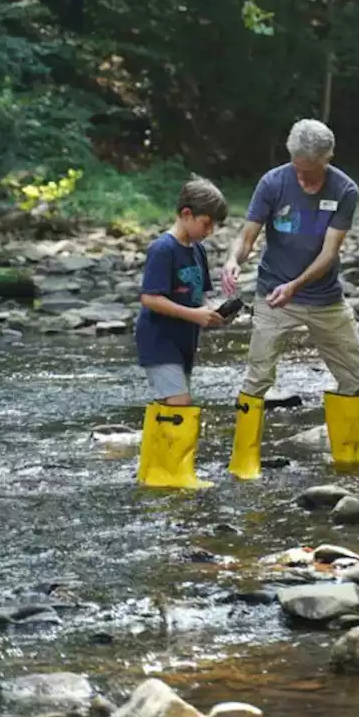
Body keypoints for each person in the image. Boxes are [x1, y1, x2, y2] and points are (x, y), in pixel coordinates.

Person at [221, 118, 359, 479]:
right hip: (273, 296)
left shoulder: (345, 190)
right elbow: (247, 238)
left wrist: (296, 284)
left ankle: (356, 454)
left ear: (329, 157)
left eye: (312, 171)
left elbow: (329, 253)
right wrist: (233, 260)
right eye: (299, 170)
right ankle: (243, 459)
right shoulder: (272, 183)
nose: (305, 179)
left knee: (354, 377)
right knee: (258, 376)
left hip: (325, 299)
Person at [134, 177, 230, 488]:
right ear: (186, 214)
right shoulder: (163, 249)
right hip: (158, 338)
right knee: (179, 403)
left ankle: (155, 472)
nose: (210, 231)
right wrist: (194, 314)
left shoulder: (197, 250)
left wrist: (212, 312)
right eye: (206, 223)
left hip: (185, 339)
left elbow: (199, 294)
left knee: (169, 404)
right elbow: (150, 297)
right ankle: (177, 474)